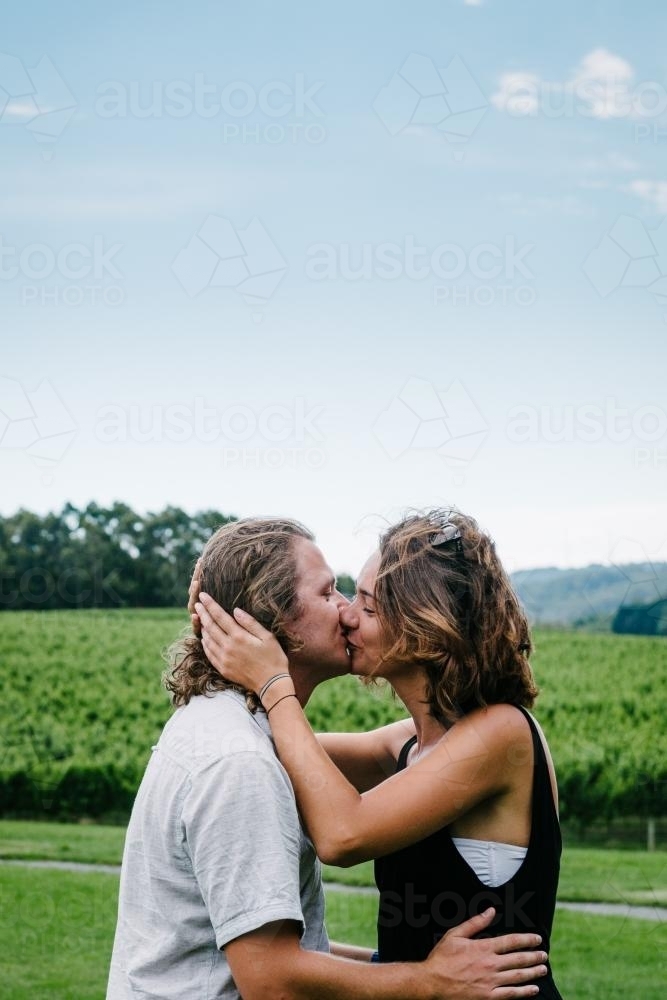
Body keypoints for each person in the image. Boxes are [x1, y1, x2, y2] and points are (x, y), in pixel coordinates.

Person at [107, 516, 548, 1000]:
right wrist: (225, 616)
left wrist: (273, 683)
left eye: (368, 605)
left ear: (428, 629)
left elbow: (342, 831)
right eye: (336, 594)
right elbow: (272, 756)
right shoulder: (398, 743)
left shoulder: (501, 735)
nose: (348, 614)